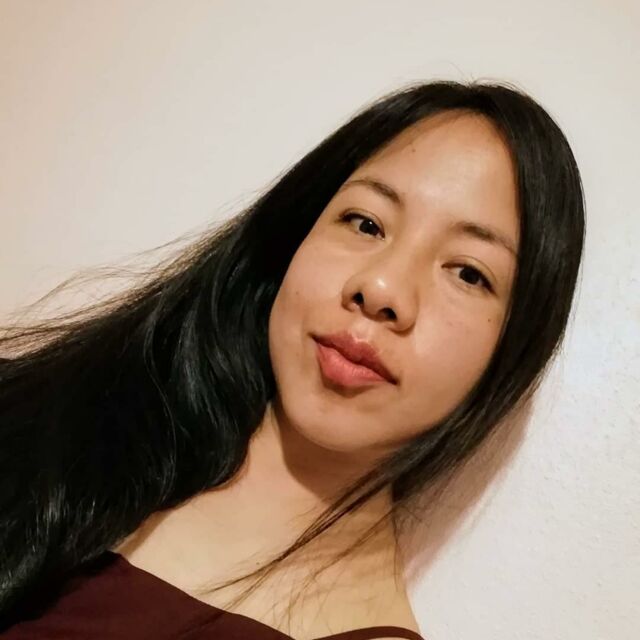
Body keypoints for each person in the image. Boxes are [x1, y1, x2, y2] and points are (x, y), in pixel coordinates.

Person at [0, 80, 585, 639]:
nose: (381, 287)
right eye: (366, 223)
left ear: (511, 351)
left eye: (468, 273)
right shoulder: (49, 418)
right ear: (294, 237)